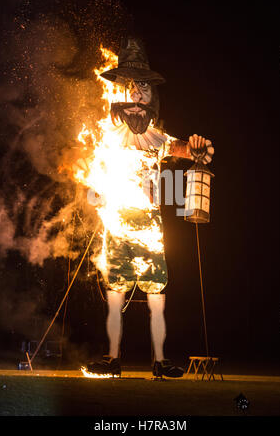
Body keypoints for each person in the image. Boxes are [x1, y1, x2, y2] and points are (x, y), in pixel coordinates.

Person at [86, 37, 214, 378]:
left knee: (157, 296)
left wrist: (201, 149)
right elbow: (94, 175)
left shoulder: (158, 137)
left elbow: (190, 151)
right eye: (132, 88)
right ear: (123, 93)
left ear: (151, 96)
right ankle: (112, 359)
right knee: (115, 294)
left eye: (144, 89)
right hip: (116, 227)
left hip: (150, 229)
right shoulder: (107, 136)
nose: (138, 95)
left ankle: (160, 360)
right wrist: (94, 192)